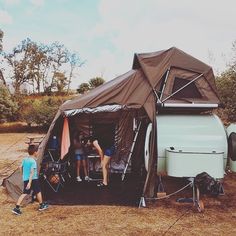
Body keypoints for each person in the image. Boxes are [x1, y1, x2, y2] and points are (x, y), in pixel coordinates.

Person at [12, 144, 48, 215]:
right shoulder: (33, 161)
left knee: (24, 193)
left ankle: (16, 208)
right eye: (37, 151)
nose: (38, 153)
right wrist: (30, 182)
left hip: (26, 179)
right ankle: (41, 205)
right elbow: (32, 172)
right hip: (33, 179)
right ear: (35, 152)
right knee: (38, 191)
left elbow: (20, 167)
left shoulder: (25, 159)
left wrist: (23, 175)